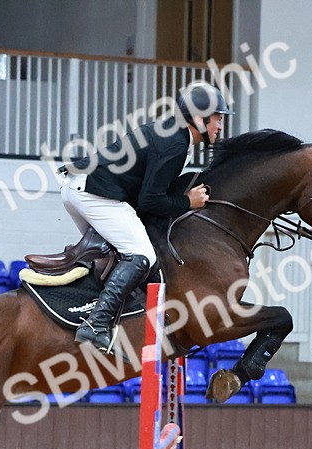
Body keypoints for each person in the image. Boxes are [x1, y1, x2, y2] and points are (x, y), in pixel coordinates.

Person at [63, 82, 230, 352]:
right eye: (217, 118)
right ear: (199, 119)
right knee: (142, 255)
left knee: (116, 254)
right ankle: (96, 324)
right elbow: (150, 201)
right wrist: (188, 202)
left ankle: (109, 317)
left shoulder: (175, 135)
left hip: (82, 187)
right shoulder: (175, 143)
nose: (220, 126)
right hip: (93, 193)